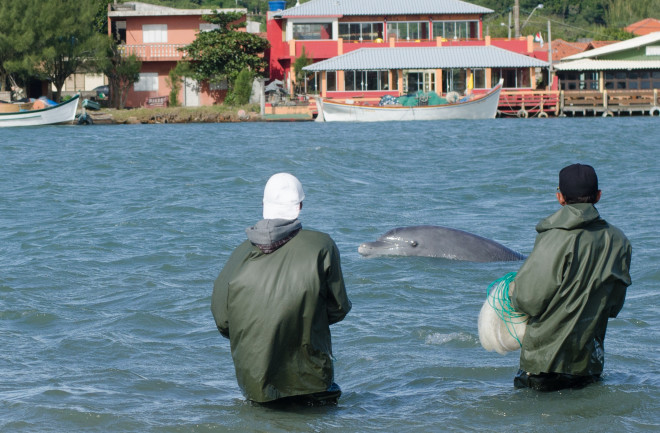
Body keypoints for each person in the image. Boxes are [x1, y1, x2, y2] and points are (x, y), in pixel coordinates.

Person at [211, 172, 352, 405]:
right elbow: (338, 309)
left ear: (263, 205)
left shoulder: (238, 255)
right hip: (311, 383)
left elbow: (223, 321)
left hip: (255, 386)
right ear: (299, 206)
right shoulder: (321, 246)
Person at [511, 163, 632, 392]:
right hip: (589, 364)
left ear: (560, 197)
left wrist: (511, 291)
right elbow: (614, 306)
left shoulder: (554, 238)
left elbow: (527, 300)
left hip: (543, 364)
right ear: (598, 195)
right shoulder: (620, 241)